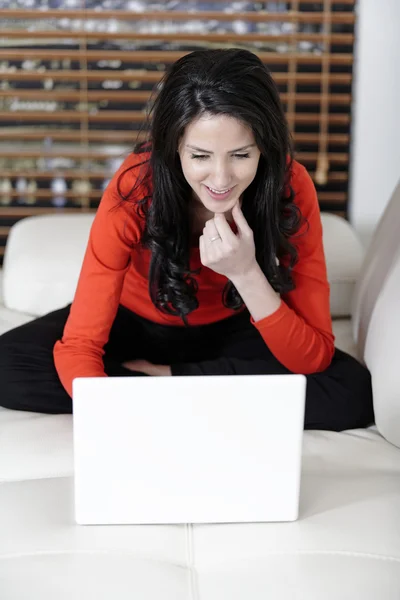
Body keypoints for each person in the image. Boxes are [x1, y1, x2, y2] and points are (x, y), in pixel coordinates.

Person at [0, 48, 374, 431]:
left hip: (235, 326)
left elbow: (312, 359)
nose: (221, 178)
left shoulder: (290, 187)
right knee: (7, 365)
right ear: (173, 147)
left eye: (241, 155)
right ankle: (207, 399)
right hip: (134, 323)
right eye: (200, 156)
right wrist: (108, 414)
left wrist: (246, 274)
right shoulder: (136, 187)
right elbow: (80, 345)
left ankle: (177, 385)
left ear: (265, 147)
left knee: (351, 392)